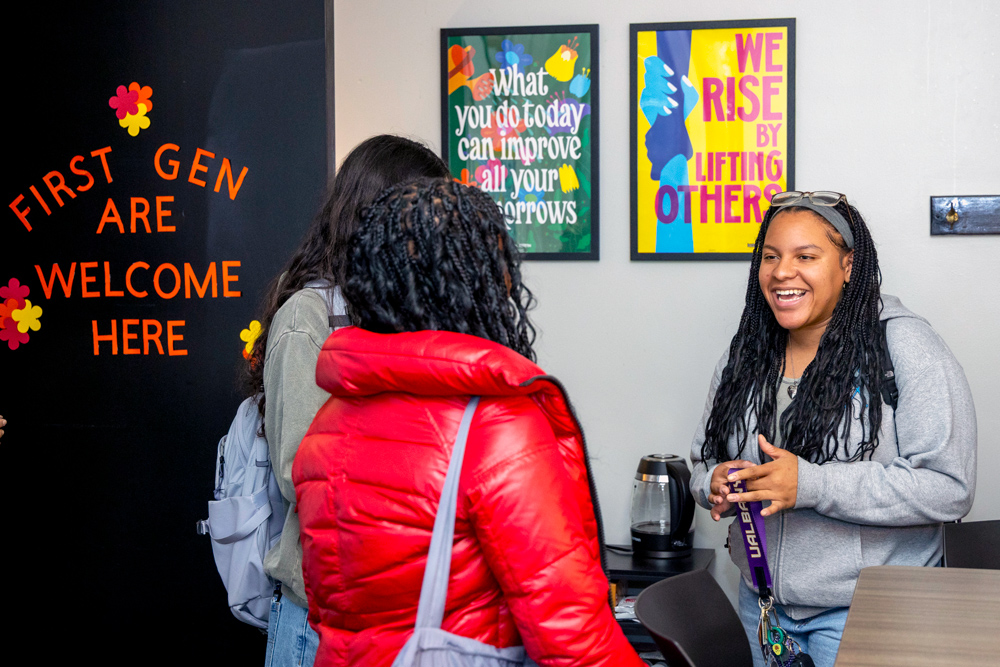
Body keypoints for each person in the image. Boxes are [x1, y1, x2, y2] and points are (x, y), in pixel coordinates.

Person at [292, 178, 645, 667]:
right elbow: (573, 639)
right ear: (476, 282)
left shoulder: (328, 424)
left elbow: (331, 608)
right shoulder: (495, 425)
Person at [689, 191, 976, 667]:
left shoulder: (904, 345)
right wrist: (713, 482)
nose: (783, 272)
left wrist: (812, 484)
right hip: (762, 609)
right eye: (770, 256)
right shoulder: (747, 353)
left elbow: (949, 487)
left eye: (806, 256)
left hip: (871, 612)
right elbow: (703, 460)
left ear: (847, 264)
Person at [241, 135, 450, 667]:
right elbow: (300, 474)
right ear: (377, 216)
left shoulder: (403, 310)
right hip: (320, 623)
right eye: (423, 213)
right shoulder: (306, 320)